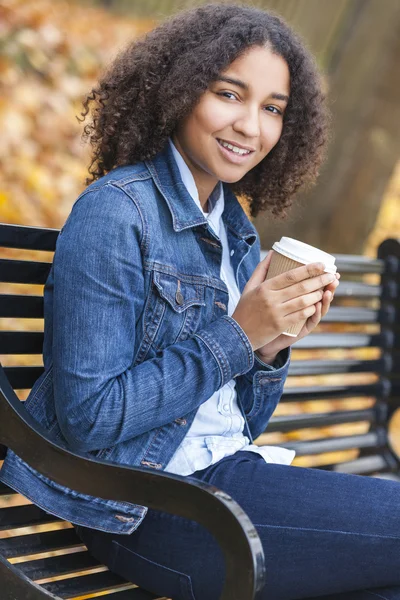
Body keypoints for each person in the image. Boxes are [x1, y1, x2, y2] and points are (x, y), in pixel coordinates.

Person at [1, 3, 399, 599]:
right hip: (148, 507)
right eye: (229, 95)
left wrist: (270, 350)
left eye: (272, 109)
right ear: (180, 89)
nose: (251, 127)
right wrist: (238, 335)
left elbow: (234, 424)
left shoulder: (235, 232)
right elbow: (88, 420)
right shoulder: (116, 213)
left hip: (221, 483)